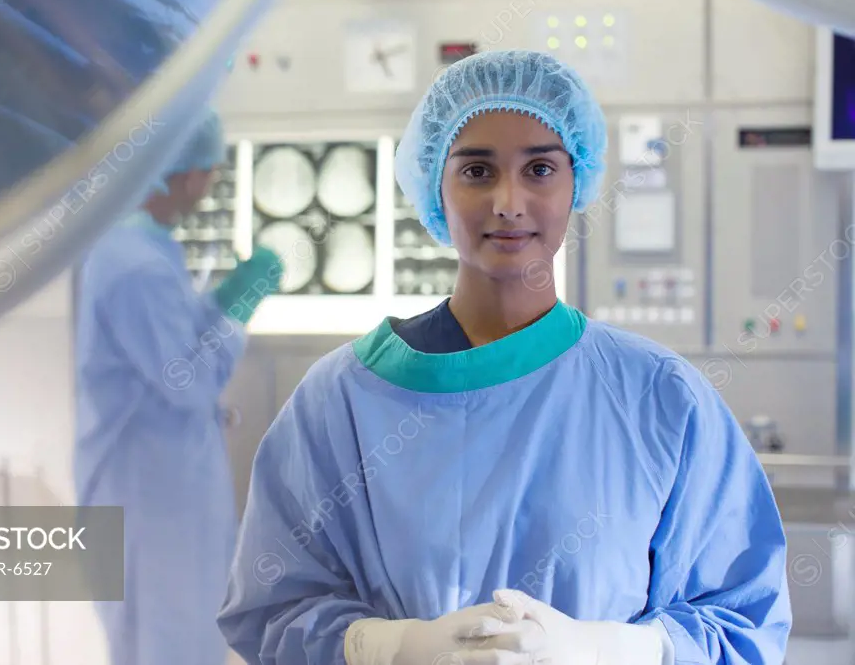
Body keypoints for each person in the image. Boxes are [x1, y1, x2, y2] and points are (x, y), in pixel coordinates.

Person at [216, 50, 791, 665]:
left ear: (578, 183)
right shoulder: (339, 400)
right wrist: (395, 647)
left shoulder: (659, 396)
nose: (509, 202)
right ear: (435, 185)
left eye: (540, 169)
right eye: (477, 171)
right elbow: (272, 609)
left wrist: (608, 649)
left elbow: (742, 619)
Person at [75, 110, 283, 665]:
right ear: (187, 175)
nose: (210, 184)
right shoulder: (132, 264)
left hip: (166, 490)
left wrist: (220, 302)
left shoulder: (147, 251)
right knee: (164, 647)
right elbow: (183, 380)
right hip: (146, 500)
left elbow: (177, 339)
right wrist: (237, 313)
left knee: (186, 638)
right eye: (211, 171)